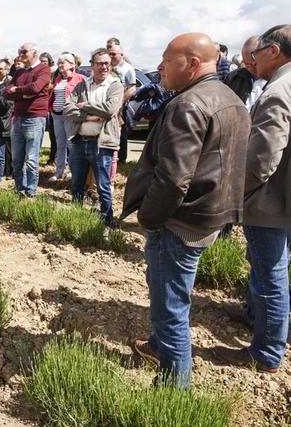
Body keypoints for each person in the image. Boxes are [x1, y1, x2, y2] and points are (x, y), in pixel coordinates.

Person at [122, 33, 250, 388]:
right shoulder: (232, 99)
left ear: (192, 63)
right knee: (175, 293)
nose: (160, 67)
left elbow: (173, 179)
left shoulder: (188, 105)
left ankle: (174, 389)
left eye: (167, 59)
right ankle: (158, 345)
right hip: (209, 216)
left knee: (171, 310)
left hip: (180, 222)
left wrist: (148, 219)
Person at [215, 24, 291, 375]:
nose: (252, 60)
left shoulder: (278, 90)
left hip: (272, 202)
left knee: (270, 274)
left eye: (256, 53)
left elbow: (261, 160)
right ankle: (253, 316)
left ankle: (266, 353)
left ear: (274, 52)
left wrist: (234, 191)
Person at [63, 49, 123, 227]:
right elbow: (67, 109)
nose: (105, 67)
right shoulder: (83, 85)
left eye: (107, 63)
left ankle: (106, 222)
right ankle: (77, 219)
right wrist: (89, 116)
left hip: (101, 143)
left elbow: (110, 109)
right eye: (100, 64)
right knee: (77, 185)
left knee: (103, 186)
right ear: (92, 65)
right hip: (79, 141)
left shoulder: (115, 84)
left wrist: (84, 105)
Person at [4, 42, 51, 198]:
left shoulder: (44, 69)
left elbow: (36, 88)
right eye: (19, 51)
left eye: (24, 51)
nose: (21, 54)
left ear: (34, 53)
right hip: (18, 117)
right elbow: (6, 93)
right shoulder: (19, 72)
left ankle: (30, 192)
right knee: (17, 159)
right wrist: (24, 94)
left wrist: (17, 90)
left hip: (34, 118)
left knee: (31, 159)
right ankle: (20, 190)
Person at [49, 53, 85, 181]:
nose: (59, 65)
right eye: (58, 63)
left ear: (71, 64)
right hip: (57, 115)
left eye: (62, 62)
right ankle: (59, 172)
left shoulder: (80, 78)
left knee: (71, 144)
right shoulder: (57, 78)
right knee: (60, 144)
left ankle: (72, 170)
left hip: (70, 115)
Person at [107, 42, 136, 166]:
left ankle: (121, 159)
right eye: (109, 54)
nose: (111, 56)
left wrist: (120, 103)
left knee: (121, 133)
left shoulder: (128, 68)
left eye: (113, 54)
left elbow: (131, 89)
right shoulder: (106, 66)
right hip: (107, 105)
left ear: (122, 54)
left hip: (120, 107)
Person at [224, 35, 267, 111]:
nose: (251, 68)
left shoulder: (277, 80)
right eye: (247, 64)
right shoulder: (234, 77)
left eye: (255, 64)